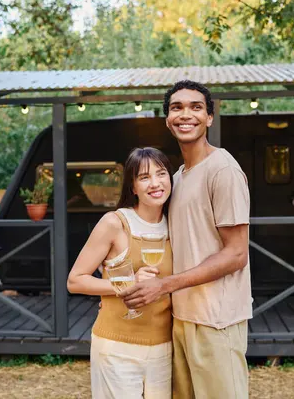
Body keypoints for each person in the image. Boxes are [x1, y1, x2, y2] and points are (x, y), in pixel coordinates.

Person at [121, 80, 252, 398]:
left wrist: (165, 286)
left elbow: (236, 254)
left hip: (216, 320)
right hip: (181, 316)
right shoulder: (175, 178)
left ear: (210, 117)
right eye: (177, 107)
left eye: (196, 107)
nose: (186, 114)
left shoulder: (223, 171)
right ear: (167, 119)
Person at [67, 147, 174, 399]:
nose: (155, 183)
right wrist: (126, 285)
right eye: (144, 177)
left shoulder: (176, 223)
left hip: (164, 347)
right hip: (118, 348)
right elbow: (75, 281)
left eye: (161, 174)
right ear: (133, 187)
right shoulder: (115, 223)